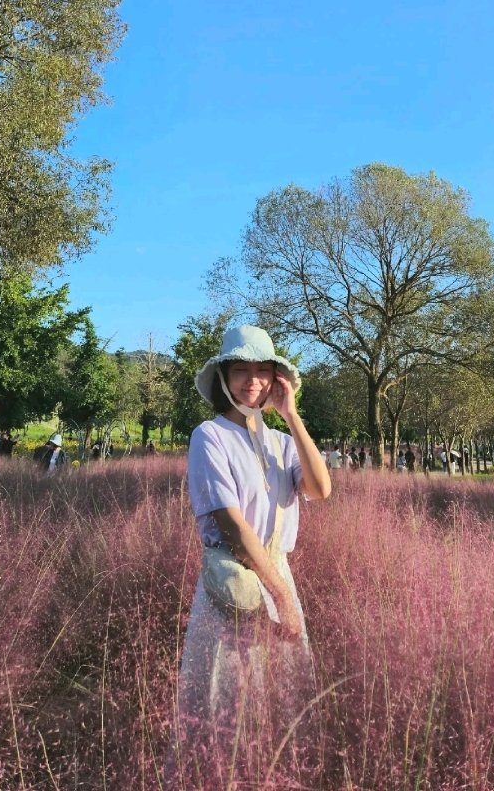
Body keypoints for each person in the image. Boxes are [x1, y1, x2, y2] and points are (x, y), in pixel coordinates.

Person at [166, 325, 331, 787]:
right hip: (235, 584)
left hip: (278, 575)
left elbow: (321, 488)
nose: (252, 381)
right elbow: (232, 524)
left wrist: (292, 417)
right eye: (242, 371)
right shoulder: (209, 436)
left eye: (263, 371)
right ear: (224, 376)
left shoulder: (281, 444)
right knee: (227, 695)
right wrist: (279, 594)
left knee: (278, 696)